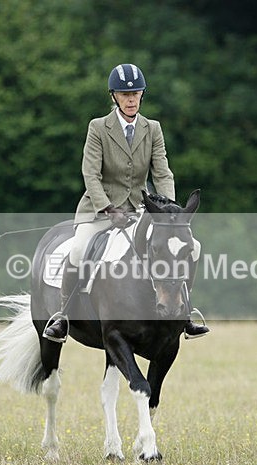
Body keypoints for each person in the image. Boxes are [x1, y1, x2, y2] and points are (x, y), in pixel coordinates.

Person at [43, 63, 209, 342]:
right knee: (79, 249)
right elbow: (90, 174)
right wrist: (107, 208)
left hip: (142, 210)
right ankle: (63, 317)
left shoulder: (152, 128)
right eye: (124, 95)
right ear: (114, 96)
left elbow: (162, 172)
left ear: (142, 94)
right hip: (100, 211)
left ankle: (184, 313)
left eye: (135, 94)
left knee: (193, 247)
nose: (131, 100)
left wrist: (168, 210)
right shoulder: (98, 127)